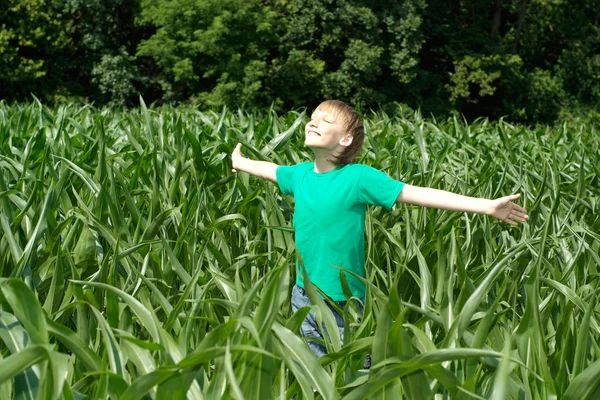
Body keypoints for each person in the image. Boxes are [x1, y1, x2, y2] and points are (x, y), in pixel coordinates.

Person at [230, 99, 528, 367]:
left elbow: (416, 193)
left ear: (345, 140)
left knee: (357, 372)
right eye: (313, 117)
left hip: (343, 303)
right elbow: (269, 169)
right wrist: (240, 163)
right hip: (303, 296)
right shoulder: (299, 175)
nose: (313, 122)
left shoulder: (358, 178)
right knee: (314, 374)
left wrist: (486, 206)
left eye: (325, 120)